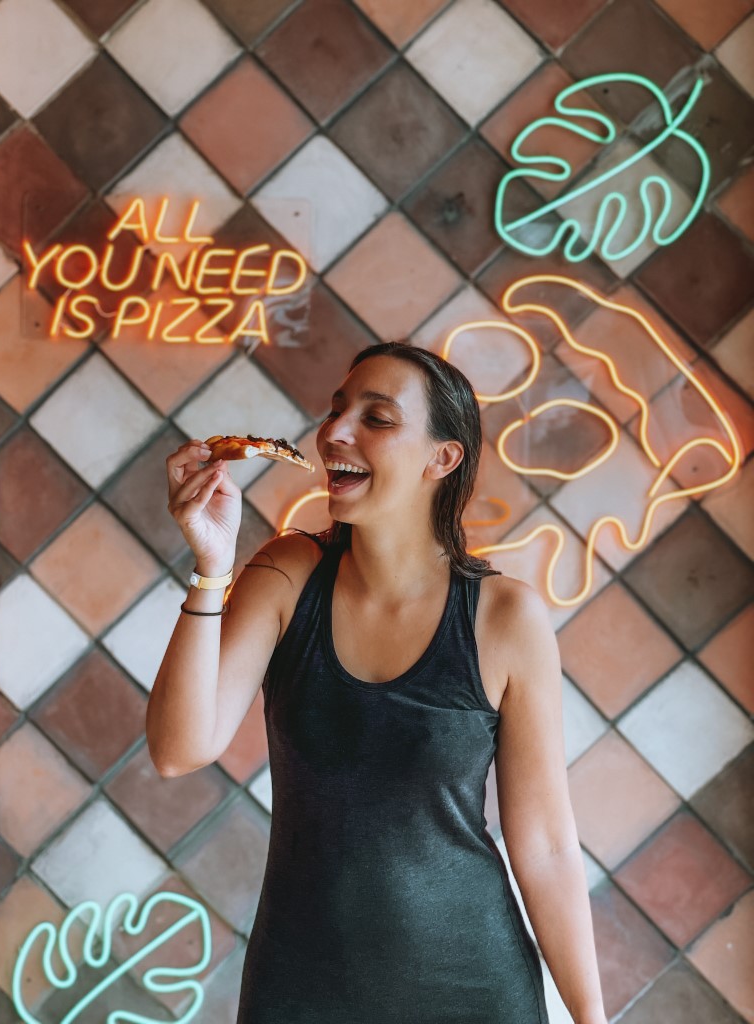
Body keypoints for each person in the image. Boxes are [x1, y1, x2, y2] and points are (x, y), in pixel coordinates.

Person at [148, 341, 608, 1024]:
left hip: (474, 989)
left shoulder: (506, 618)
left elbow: (544, 848)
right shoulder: (286, 574)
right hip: (300, 989)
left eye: (377, 419)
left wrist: (591, 1020)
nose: (334, 432)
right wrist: (212, 561)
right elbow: (179, 749)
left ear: (441, 458)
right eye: (337, 412)